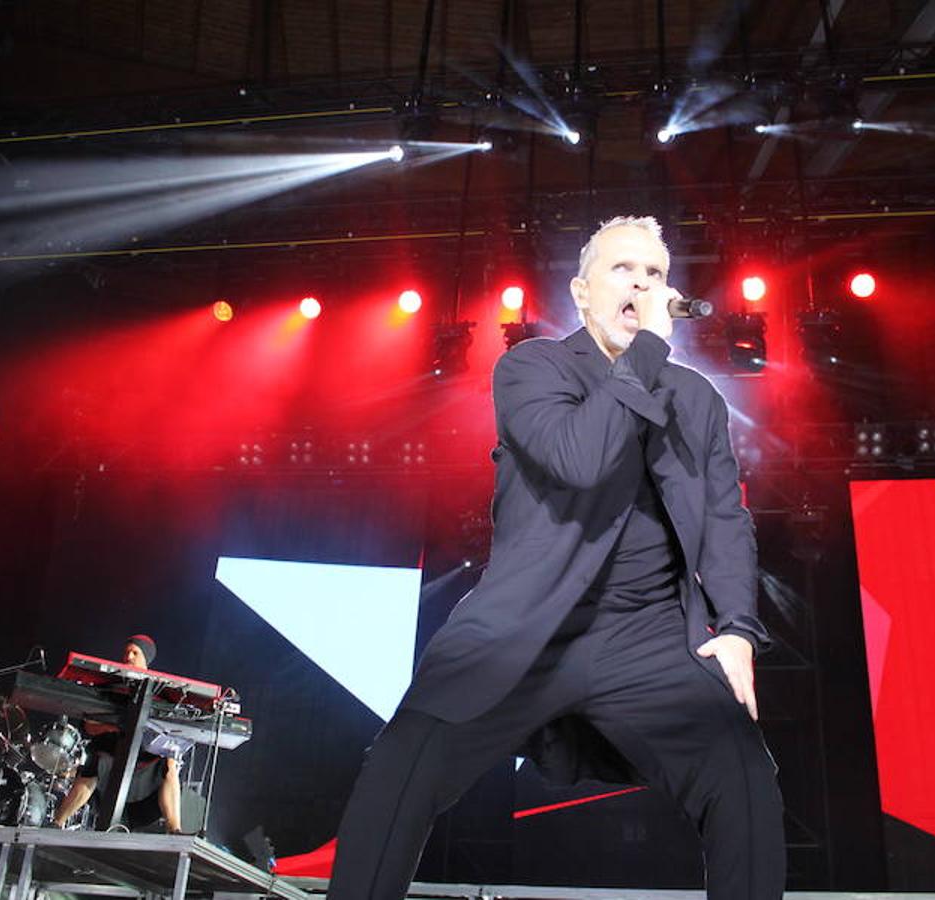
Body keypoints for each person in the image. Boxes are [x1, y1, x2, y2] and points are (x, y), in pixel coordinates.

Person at [327, 216, 785, 899]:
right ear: (582, 292)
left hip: (647, 634)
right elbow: (581, 457)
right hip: (524, 625)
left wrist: (739, 630)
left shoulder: (696, 399)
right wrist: (650, 347)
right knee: (402, 765)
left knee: (743, 775)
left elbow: (725, 517)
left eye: (654, 274)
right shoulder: (531, 367)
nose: (642, 284)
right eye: (623, 271)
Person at [50, 634, 185, 833]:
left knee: (170, 763)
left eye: (135, 653)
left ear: (145, 659)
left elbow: (170, 729)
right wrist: (113, 727)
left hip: (144, 761)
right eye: (126, 652)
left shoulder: (160, 692)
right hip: (109, 756)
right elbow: (88, 726)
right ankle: (57, 823)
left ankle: (175, 830)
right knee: (94, 763)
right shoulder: (109, 686)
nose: (128, 657)